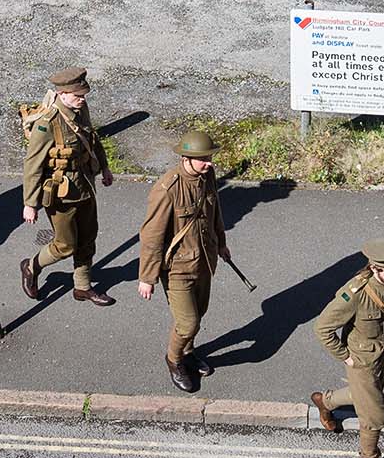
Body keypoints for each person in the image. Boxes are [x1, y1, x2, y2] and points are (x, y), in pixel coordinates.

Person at [310, 240, 384, 458]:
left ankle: (324, 401)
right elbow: (322, 328)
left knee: (366, 396)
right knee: (375, 413)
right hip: (361, 360)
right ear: (376, 268)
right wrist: (344, 356)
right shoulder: (356, 294)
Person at [137, 130, 230, 393]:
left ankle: (188, 353)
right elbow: (151, 236)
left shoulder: (207, 176)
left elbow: (215, 212)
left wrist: (221, 243)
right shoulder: (167, 189)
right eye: (203, 159)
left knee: (198, 313)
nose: (209, 163)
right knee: (188, 322)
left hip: (204, 260)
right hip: (178, 268)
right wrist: (147, 277)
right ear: (187, 158)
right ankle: (174, 359)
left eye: (210, 157)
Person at [20, 66, 115, 306]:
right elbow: (33, 165)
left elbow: (92, 140)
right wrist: (29, 203)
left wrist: (104, 167)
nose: (82, 99)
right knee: (65, 245)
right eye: (77, 95)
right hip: (61, 194)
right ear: (62, 94)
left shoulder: (80, 111)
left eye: (83, 95)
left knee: (88, 237)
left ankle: (82, 287)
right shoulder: (47, 123)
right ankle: (31, 266)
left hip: (85, 185)